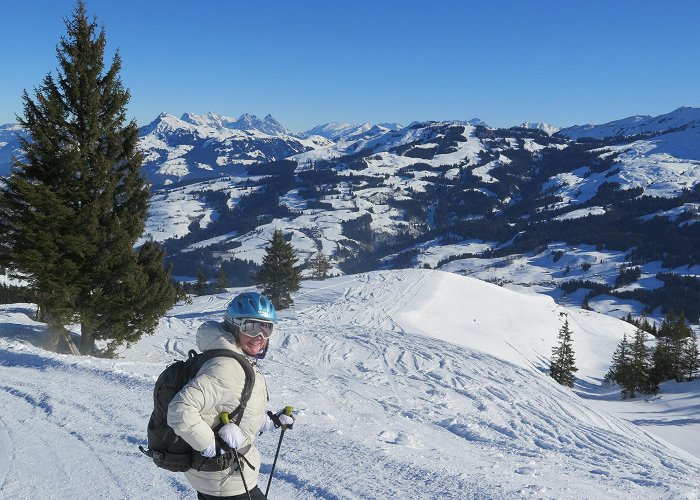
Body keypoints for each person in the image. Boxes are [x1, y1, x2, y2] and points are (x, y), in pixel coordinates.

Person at [167, 291, 294, 499]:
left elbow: (233, 408)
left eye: (266, 328)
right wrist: (210, 445)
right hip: (225, 479)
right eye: (251, 327)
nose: (259, 337)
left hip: (217, 476)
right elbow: (179, 410)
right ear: (234, 326)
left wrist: (271, 422)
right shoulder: (226, 366)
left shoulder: (235, 358)